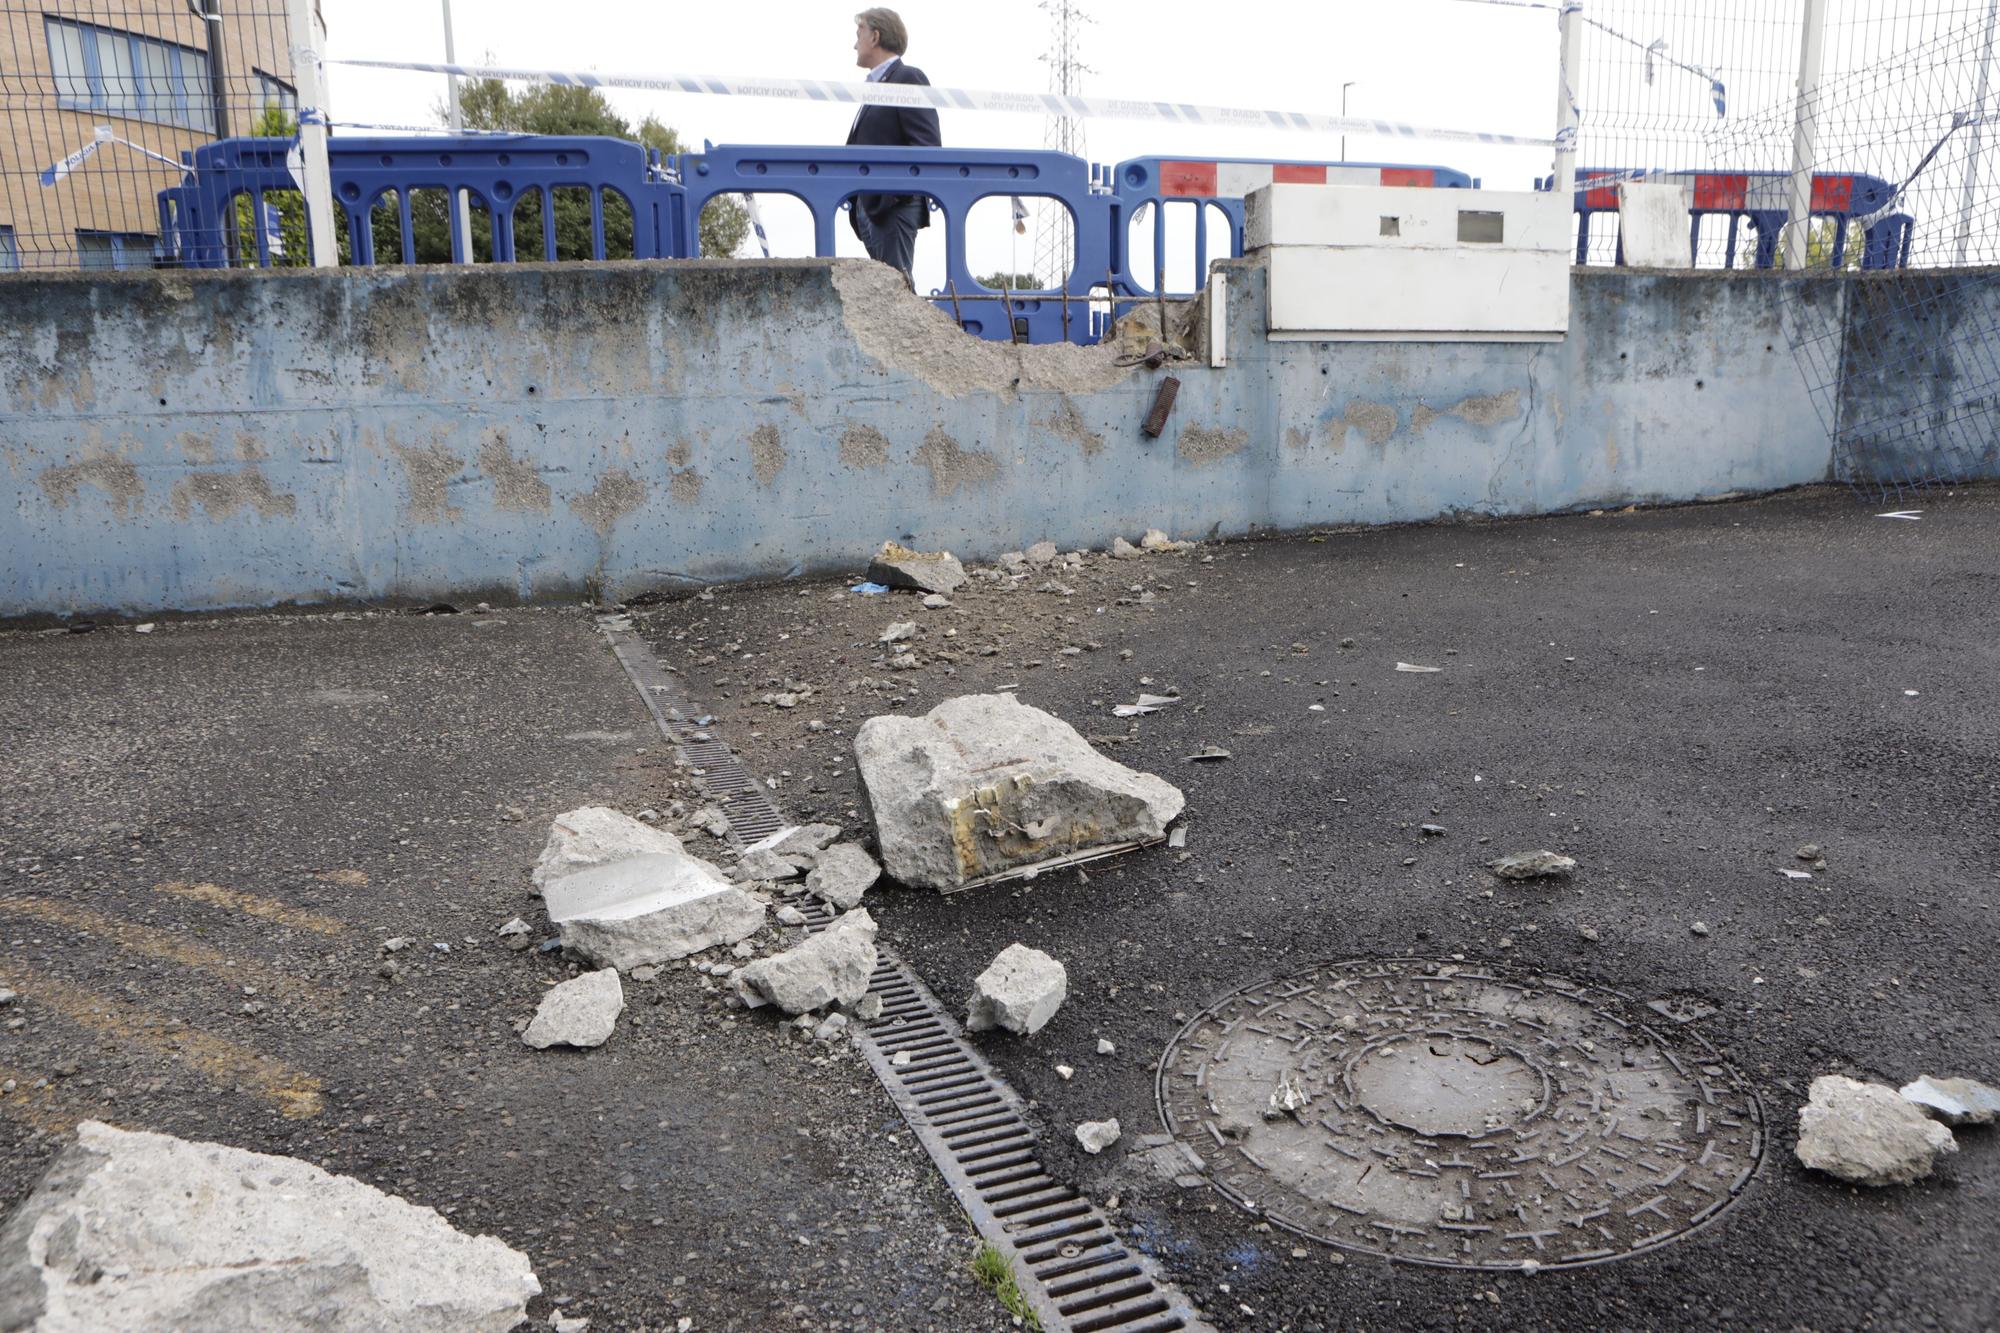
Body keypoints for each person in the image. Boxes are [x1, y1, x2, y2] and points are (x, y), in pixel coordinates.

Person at [846, 8, 941, 285]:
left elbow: (928, 147)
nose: (854, 43)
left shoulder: (908, 78)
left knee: (896, 296)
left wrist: (894, 198)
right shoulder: (875, 88)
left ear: (875, 37)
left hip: (891, 210)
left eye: (858, 33)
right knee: (888, 296)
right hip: (871, 211)